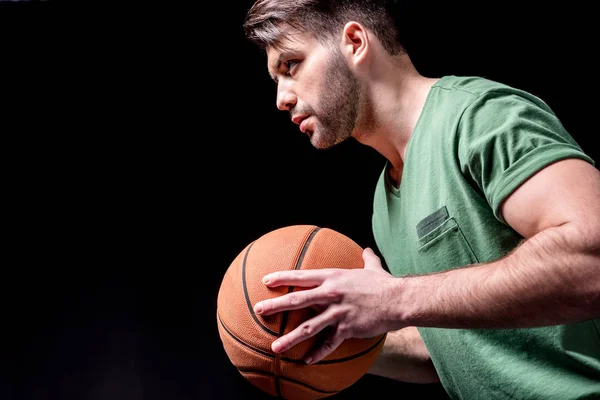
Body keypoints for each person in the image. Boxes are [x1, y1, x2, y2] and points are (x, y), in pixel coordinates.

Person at [242, 1, 600, 398]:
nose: (281, 99)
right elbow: (454, 346)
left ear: (356, 42)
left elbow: (592, 261)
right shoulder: (385, 199)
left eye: (291, 66)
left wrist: (396, 298)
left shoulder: (479, 117)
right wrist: (319, 340)